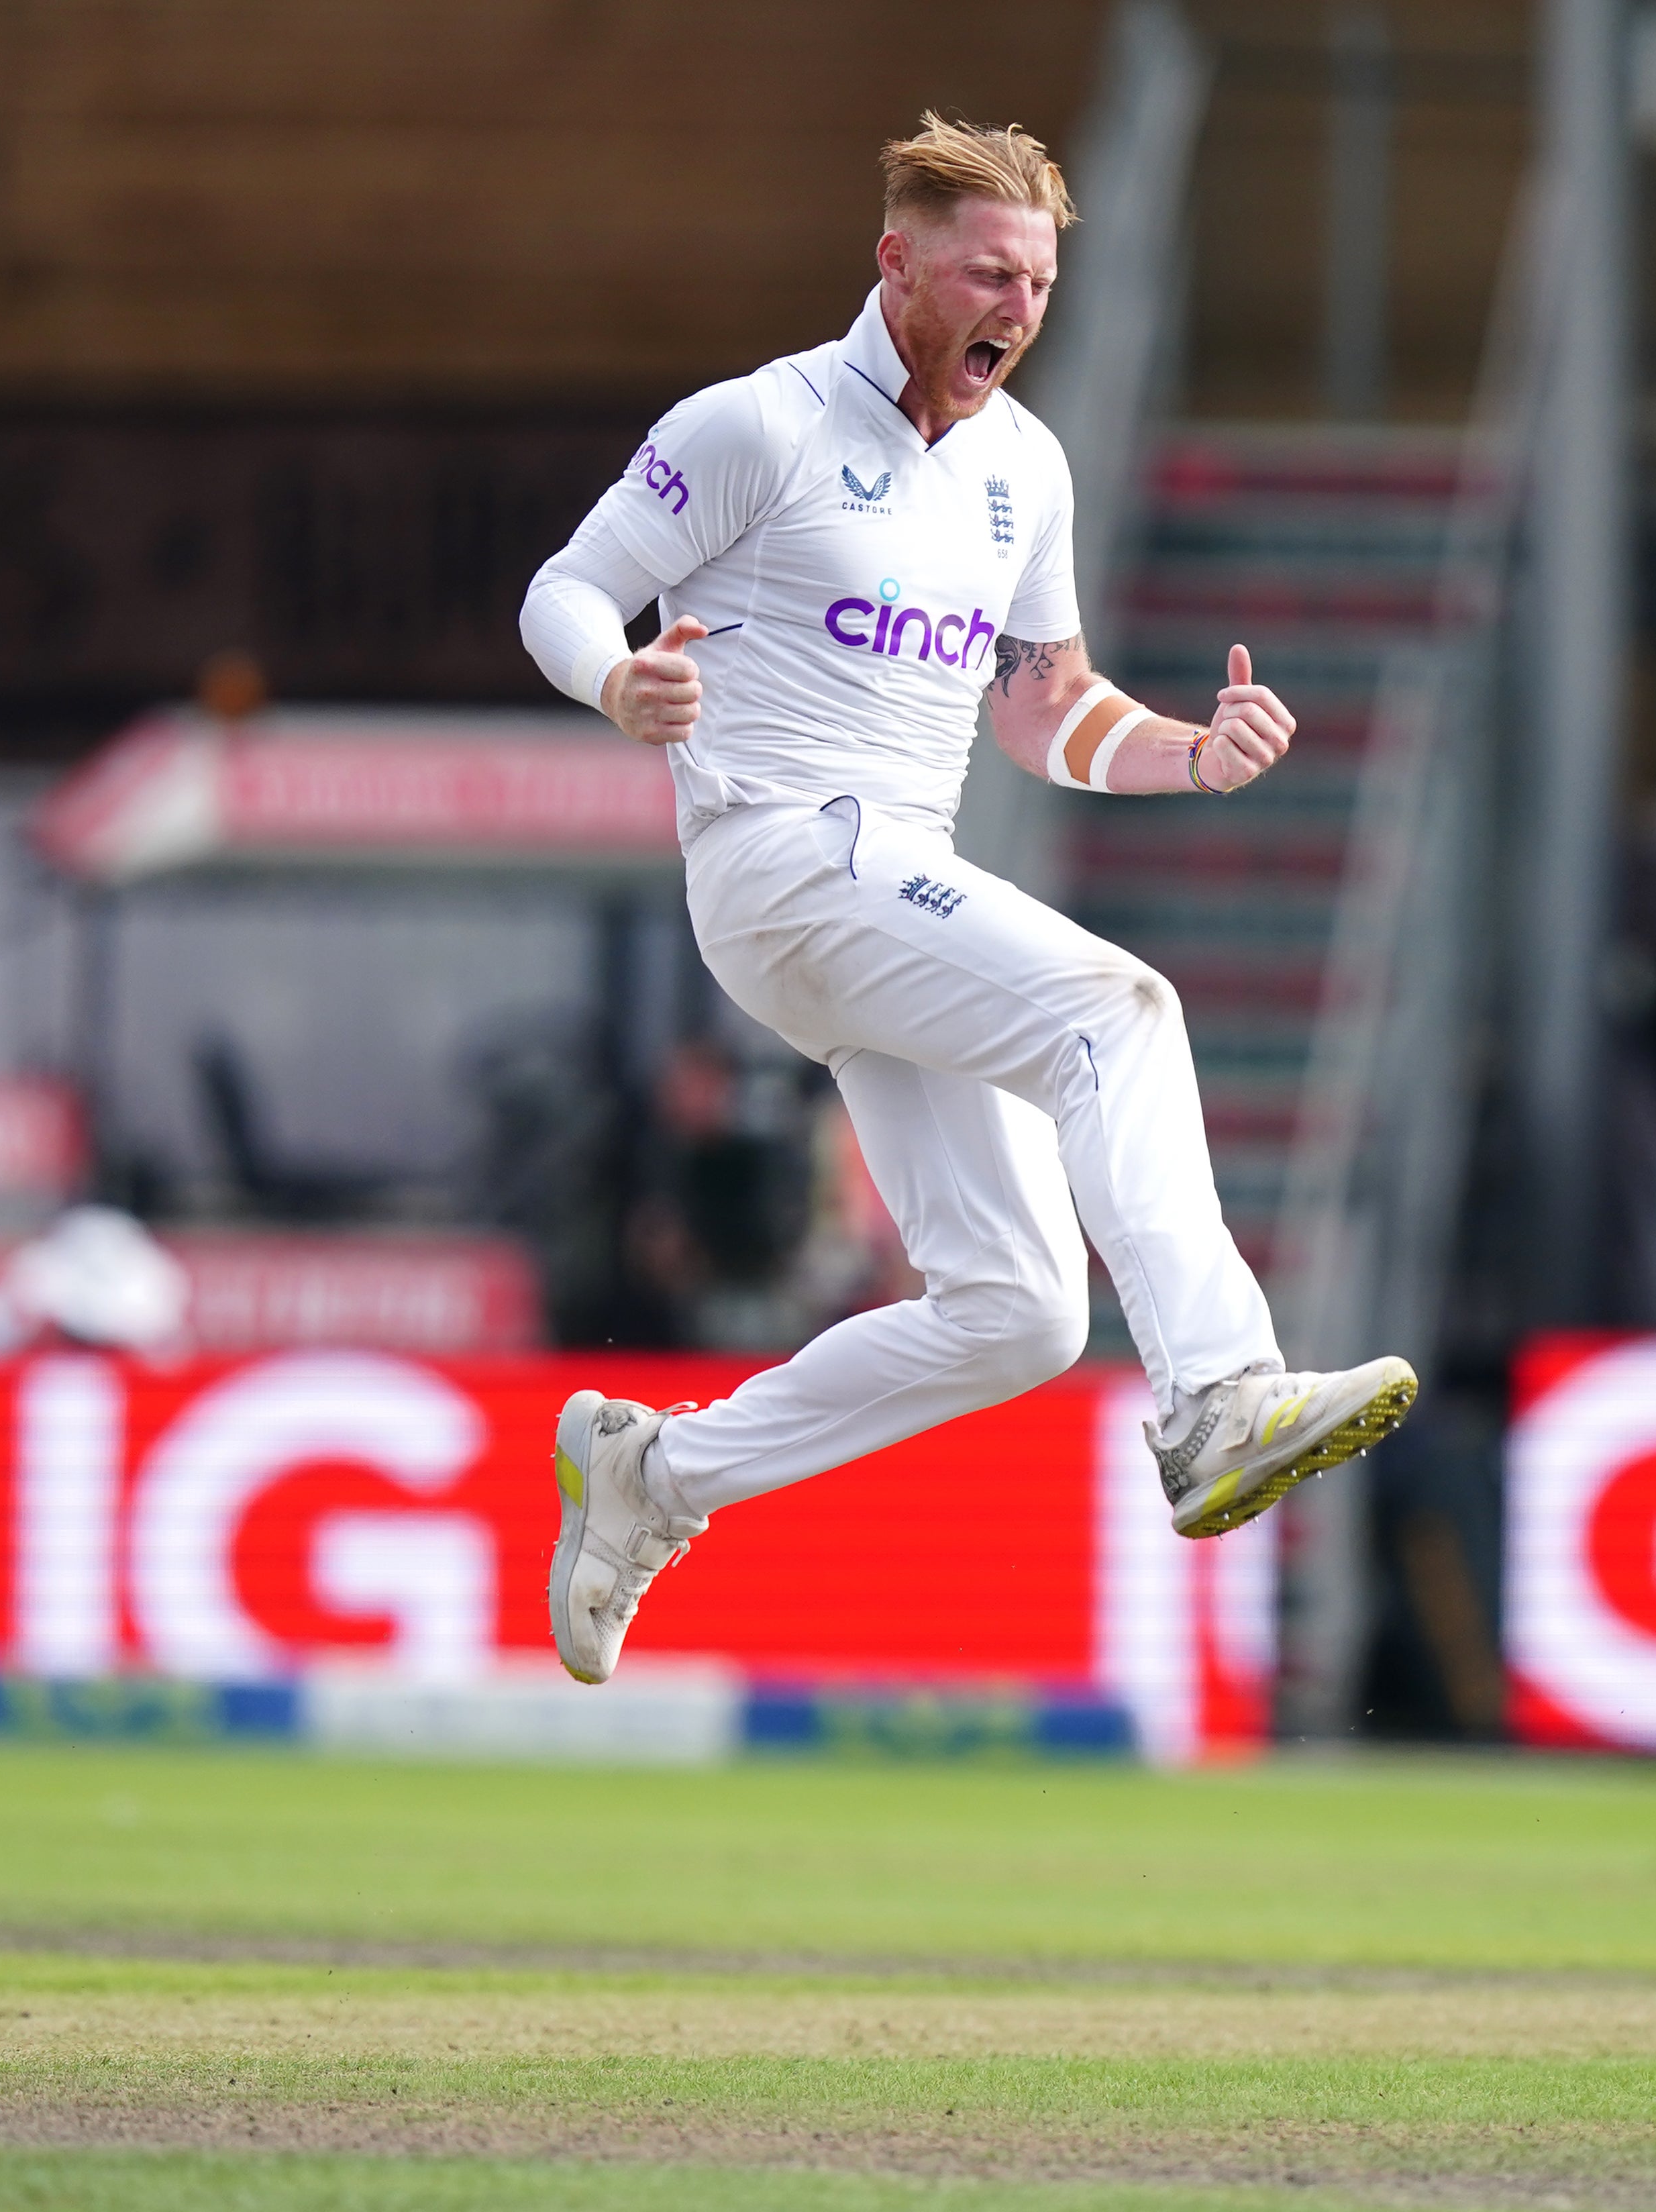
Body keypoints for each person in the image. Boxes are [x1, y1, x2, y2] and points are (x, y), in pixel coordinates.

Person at [516, 115, 1416, 1687]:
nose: (1016, 305)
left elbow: (1044, 711)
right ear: (899, 266)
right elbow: (565, 588)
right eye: (989, 271)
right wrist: (619, 677)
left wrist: (1194, 755)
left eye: (1042, 281)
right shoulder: (759, 423)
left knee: (1018, 1312)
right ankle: (1217, 1394)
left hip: (888, 880)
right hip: (784, 856)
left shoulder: (1024, 468)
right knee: (1119, 1010)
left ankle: (657, 1475)